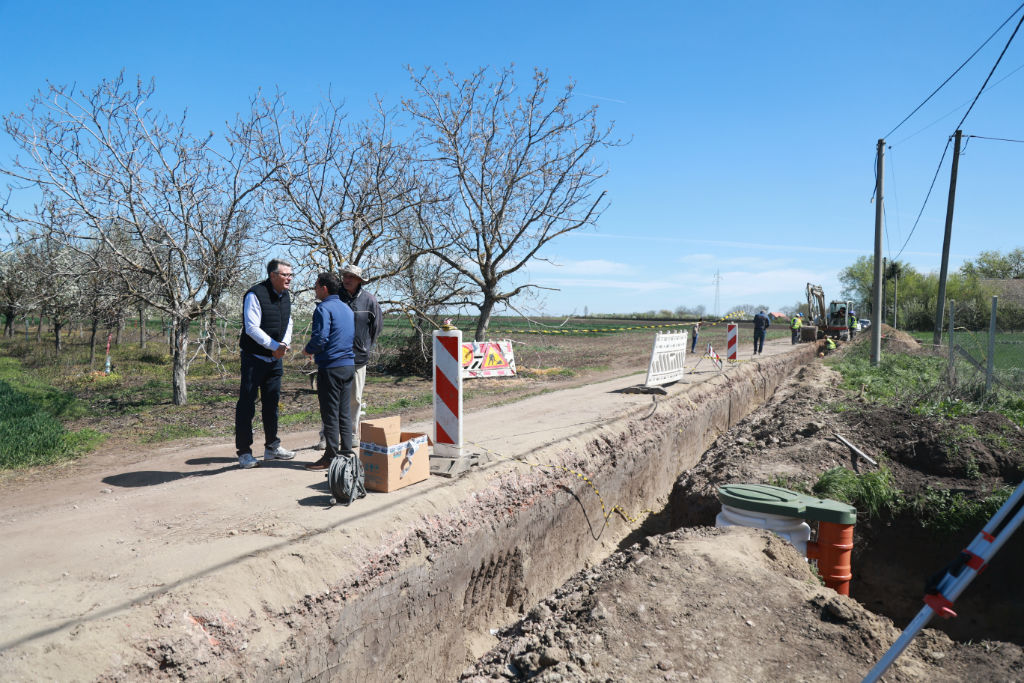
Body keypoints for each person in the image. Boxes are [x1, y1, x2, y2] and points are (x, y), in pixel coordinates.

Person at [313, 263, 384, 451]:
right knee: (330, 400)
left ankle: (351, 434)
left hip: (358, 359)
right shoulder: (336, 298)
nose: (347, 279)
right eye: (345, 276)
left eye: (351, 276)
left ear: (359, 280)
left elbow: (376, 327)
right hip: (335, 358)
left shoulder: (369, 301)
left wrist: (365, 346)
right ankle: (327, 436)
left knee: (354, 399)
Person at [235, 258, 296, 469]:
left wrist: (284, 344)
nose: (289, 278)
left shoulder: (286, 296)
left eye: (291, 275)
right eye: (285, 274)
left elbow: (289, 321)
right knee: (246, 405)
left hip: (274, 360)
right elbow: (251, 327)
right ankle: (244, 453)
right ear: (273, 275)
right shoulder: (255, 294)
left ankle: (272, 447)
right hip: (254, 359)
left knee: (272, 404)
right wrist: (274, 346)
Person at [303, 272, 356, 471]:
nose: (315, 290)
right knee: (344, 412)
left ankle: (331, 457)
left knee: (330, 414)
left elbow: (321, 338)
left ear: (324, 288)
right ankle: (347, 453)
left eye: (316, 286)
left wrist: (308, 350)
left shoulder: (323, 308)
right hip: (348, 365)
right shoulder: (346, 308)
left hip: (331, 367)